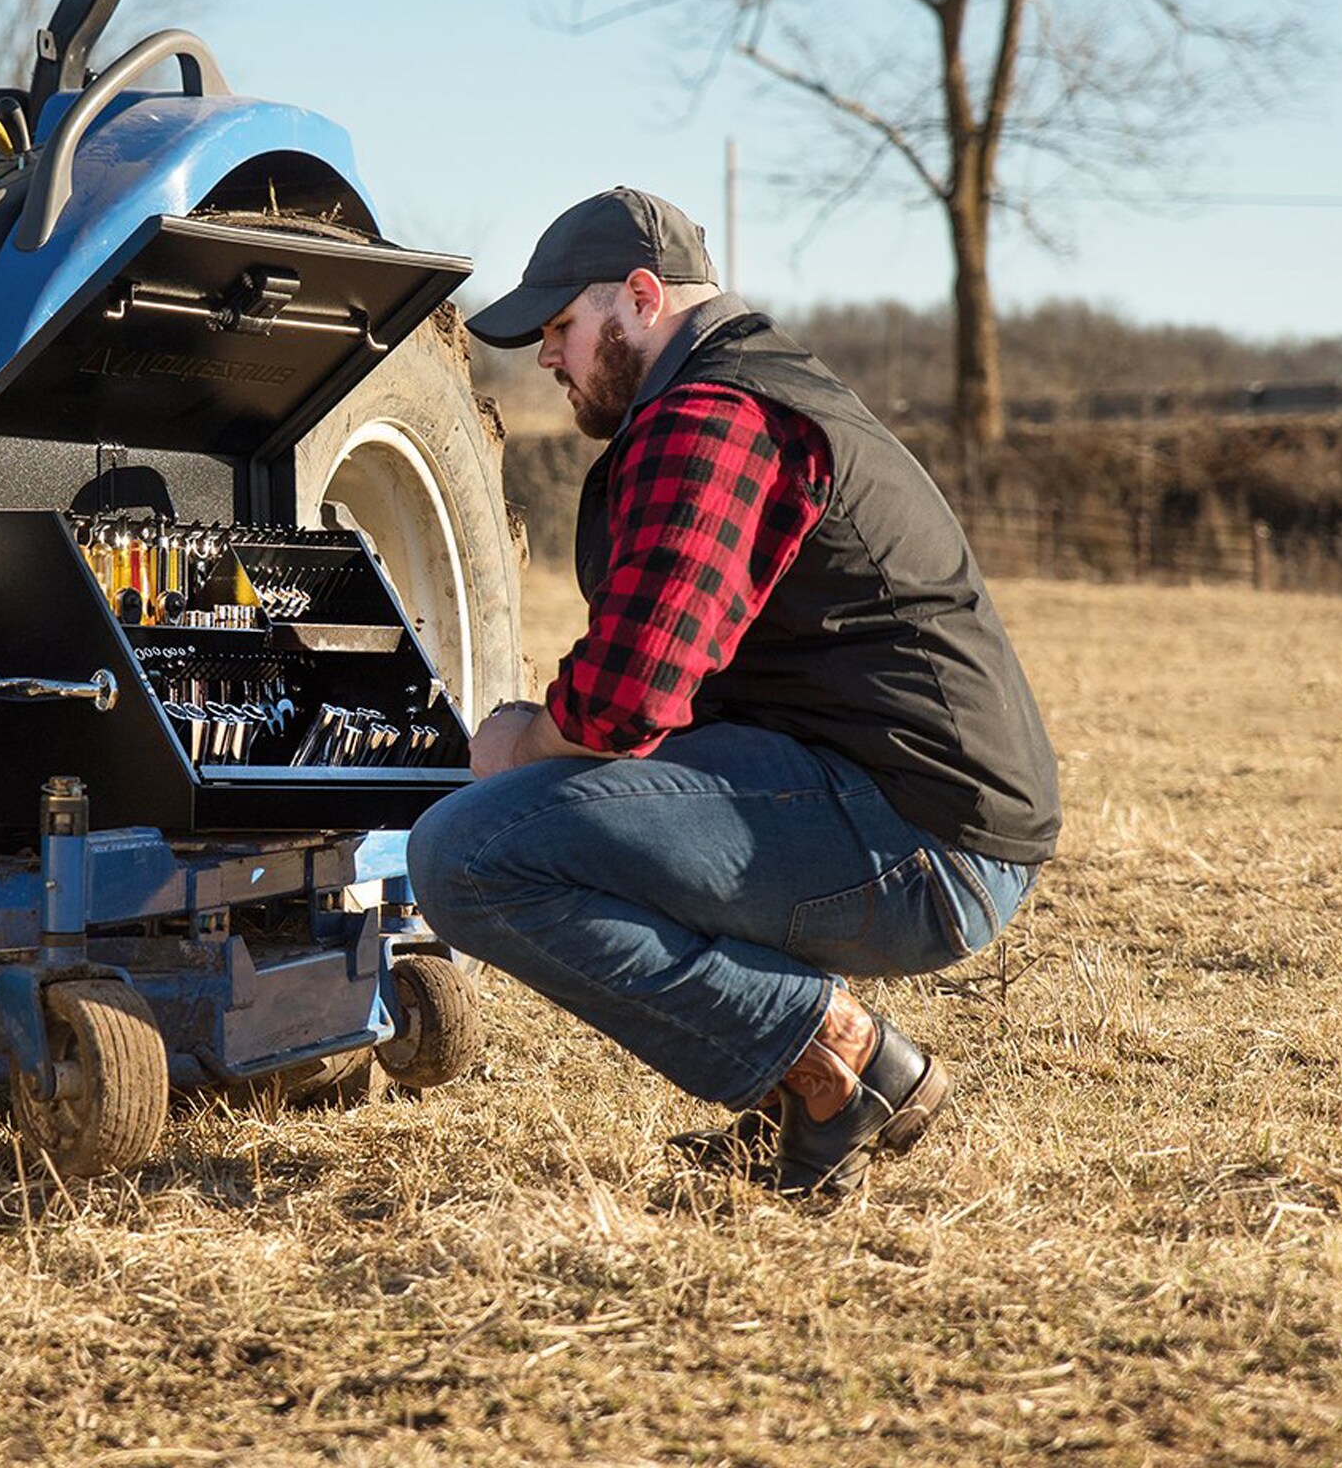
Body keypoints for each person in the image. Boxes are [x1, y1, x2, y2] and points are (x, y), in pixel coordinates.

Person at [407, 187, 1059, 1201]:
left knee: (468, 851)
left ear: (638, 297)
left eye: (560, 327)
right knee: (550, 816)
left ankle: (837, 1064)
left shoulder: (715, 414)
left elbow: (623, 703)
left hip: (922, 842)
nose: (545, 355)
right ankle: (804, 1099)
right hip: (906, 809)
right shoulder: (756, 389)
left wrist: (522, 740)